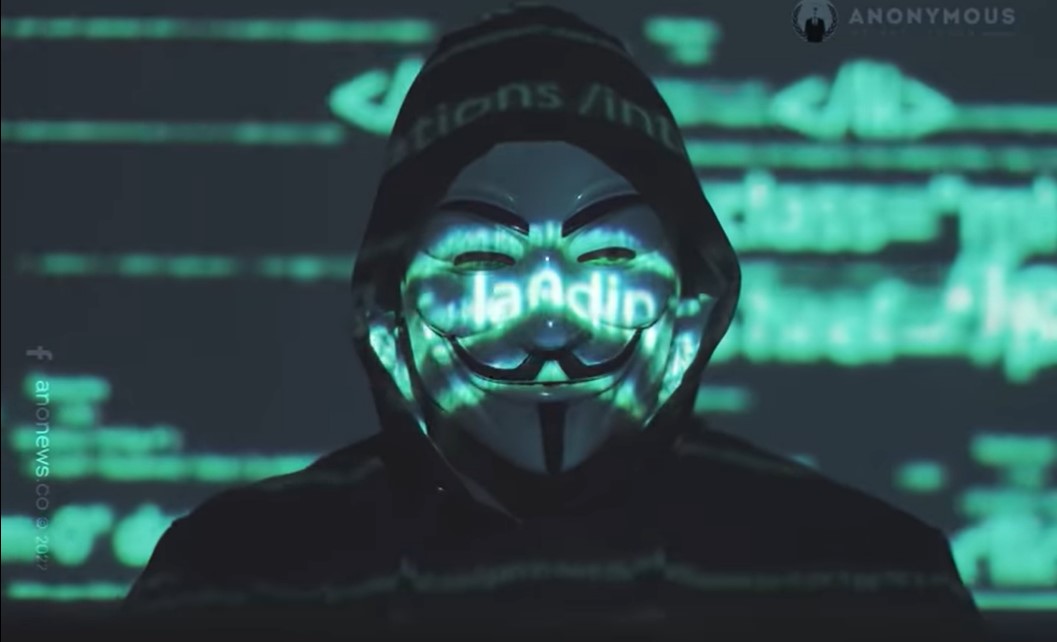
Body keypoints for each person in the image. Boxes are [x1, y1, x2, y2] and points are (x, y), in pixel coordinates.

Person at [122, 6, 986, 640]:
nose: (547, 319)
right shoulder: (231, 579)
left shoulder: (872, 582)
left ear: (692, 308)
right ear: (387, 312)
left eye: (606, 257)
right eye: (480, 261)